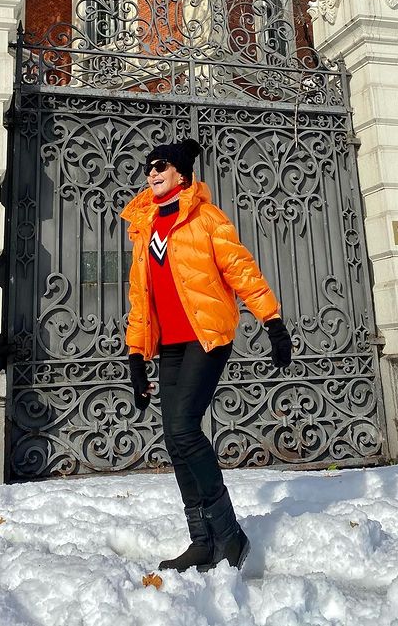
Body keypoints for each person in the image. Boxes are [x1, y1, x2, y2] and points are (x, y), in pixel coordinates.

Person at [121, 137, 293, 573]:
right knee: (175, 439)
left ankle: (229, 533)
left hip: (207, 336)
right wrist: (137, 357)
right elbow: (141, 298)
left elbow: (240, 268)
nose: (153, 173)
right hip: (169, 345)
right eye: (149, 168)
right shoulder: (144, 228)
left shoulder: (204, 218)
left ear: (180, 173)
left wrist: (271, 320)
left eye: (161, 166)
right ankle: (203, 539)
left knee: (183, 427)